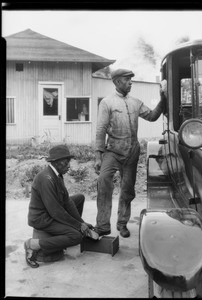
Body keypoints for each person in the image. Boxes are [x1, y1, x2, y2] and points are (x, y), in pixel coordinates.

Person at [94, 69, 166, 238]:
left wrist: (163, 100)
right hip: (112, 151)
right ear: (117, 82)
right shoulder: (107, 102)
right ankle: (103, 225)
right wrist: (98, 155)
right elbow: (101, 129)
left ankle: (122, 223)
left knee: (127, 190)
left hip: (132, 152)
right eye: (127, 80)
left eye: (131, 80)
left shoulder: (135, 102)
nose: (130, 82)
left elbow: (153, 116)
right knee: (103, 182)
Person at [24, 144, 99, 268]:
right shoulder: (46, 179)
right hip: (43, 219)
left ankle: (71, 231)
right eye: (66, 162)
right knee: (76, 236)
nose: (69, 166)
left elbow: (67, 202)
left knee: (79, 198)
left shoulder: (57, 175)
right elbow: (56, 212)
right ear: (56, 162)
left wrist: (81, 222)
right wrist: (78, 226)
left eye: (68, 161)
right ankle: (33, 244)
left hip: (52, 213)